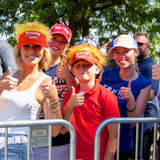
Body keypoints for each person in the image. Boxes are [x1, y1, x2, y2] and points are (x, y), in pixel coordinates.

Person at [0, 21, 62, 160]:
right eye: (26, 46)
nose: (31, 51)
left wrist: (54, 100)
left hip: (16, 149)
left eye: (36, 47)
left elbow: (55, 130)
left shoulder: (45, 82)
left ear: (43, 52)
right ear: (19, 50)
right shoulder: (7, 74)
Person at [61, 43, 120, 160]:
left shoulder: (107, 96)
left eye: (87, 65)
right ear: (72, 70)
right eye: (78, 66)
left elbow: (114, 134)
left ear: (97, 69)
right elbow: (63, 130)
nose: (82, 69)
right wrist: (70, 106)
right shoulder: (69, 96)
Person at [99, 34, 151, 160]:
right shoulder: (105, 73)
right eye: (117, 52)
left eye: (126, 51)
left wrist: (131, 101)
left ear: (136, 52)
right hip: (97, 138)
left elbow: (134, 123)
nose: (121, 56)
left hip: (121, 145)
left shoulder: (144, 85)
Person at [33, 23, 76, 160]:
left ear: (66, 46)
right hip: (35, 135)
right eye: (53, 38)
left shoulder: (70, 68)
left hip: (61, 140)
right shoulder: (33, 63)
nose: (56, 44)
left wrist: (68, 77)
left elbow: (78, 95)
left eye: (62, 41)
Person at [133, 32, 159, 160]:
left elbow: (150, 94)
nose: (136, 47)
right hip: (134, 120)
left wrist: (129, 98)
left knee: (141, 156)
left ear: (148, 46)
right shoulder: (134, 64)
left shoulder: (150, 66)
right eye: (134, 44)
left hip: (145, 123)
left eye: (140, 44)